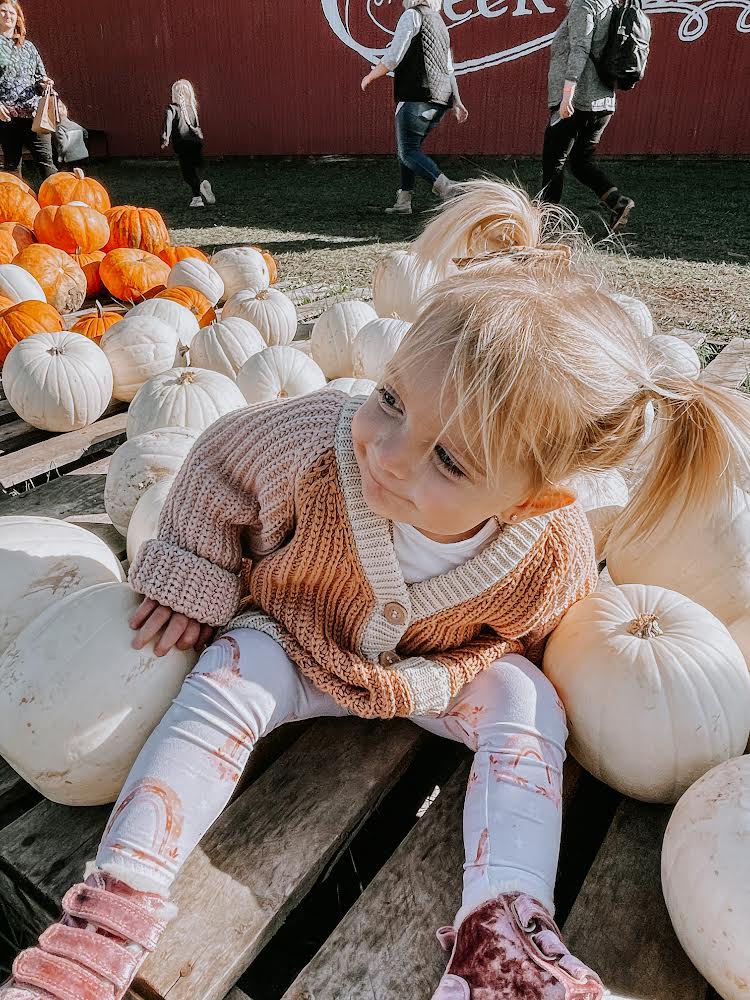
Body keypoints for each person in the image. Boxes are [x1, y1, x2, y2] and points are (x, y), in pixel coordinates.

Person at [4, 180, 750, 1000]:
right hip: (294, 634)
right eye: (392, 398)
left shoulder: (550, 546)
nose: (389, 452)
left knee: (528, 702)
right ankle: (109, 915)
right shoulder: (308, 443)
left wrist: (542, 677)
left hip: (437, 676)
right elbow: (214, 468)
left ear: (532, 500)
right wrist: (194, 567)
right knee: (222, 679)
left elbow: (546, 627)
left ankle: (505, 935)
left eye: (450, 460)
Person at [361, 0, 468, 215]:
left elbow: (393, 56)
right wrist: (457, 101)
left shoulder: (412, 15)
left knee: (408, 151)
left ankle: (448, 188)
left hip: (416, 95)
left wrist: (370, 76)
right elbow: (449, 68)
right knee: (408, 150)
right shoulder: (440, 23)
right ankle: (404, 201)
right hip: (440, 99)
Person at [542, 0, 635, 231]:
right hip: (604, 100)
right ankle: (617, 202)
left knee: (554, 161)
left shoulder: (585, 5)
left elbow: (580, 48)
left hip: (578, 100)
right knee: (581, 161)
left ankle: (546, 224)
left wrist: (567, 94)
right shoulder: (612, 5)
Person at [0, 0, 56, 181]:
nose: (8, 15)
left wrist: (45, 83)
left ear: (18, 19)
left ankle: (59, 205)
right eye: (3, 11)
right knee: (12, 166)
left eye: (12, 13)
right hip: (6, 116)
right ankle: (14, 209)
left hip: (33, 115)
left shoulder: (29, 47)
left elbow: (40, 77)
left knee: (47, 163)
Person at [161, 79, 215, 209]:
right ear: (190, 93)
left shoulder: (172, 108)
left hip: (182, 146)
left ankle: (197, 199)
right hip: (196, 144)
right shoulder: (192, 109)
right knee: (195, 169)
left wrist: (165, 138)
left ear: (174, 93)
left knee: (187, 174)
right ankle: (201, 184)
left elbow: (167, 124)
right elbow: (196, 127)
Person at [51, 102, 88, 167]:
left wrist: (60, 157)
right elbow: (85, 134)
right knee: (82, 173)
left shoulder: (60, 128)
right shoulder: (76, 125)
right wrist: (83, 143)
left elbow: (64, 145)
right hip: (83, 154)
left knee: (70, 174)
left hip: (70, 158)